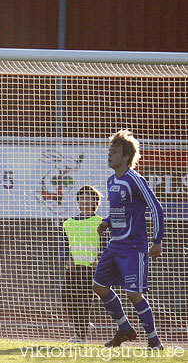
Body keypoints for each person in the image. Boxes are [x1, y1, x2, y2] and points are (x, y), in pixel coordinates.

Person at [92, 129, 165, 349]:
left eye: (113, 152)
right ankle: (124, 328)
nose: (109, 155)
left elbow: (156, 208)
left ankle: (154, 341)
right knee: (99, 286)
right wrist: (106, 222)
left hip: (134, 247)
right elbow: (120, 211)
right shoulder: (111, 181)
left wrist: (157, 240)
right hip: (115, 245)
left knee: (134, 294)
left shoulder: (135, 180)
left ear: (125, 157)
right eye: (109, 151)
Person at [60, 185, 104, 343]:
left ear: (95, 202)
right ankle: (84, 326)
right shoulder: (69, 222)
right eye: (81, 198)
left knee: (84, 302)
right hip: (72, 269)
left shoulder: (100, 222)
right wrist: (66, 258)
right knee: (67, 299)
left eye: (88, 198)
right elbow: (64, 244)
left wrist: (100, 259)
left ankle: (81, 336)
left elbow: (106, 245)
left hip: (90, 269)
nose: (84, 201)